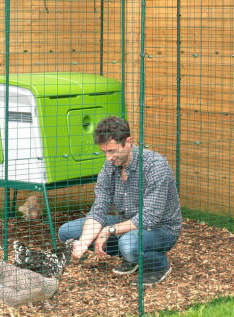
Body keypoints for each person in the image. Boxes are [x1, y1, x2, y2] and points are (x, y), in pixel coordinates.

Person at [58, 116, 183, 285]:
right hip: (126, 223)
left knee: (129, 243)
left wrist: (108, 230)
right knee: (67, 232)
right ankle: (131, 256)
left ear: (128, 142)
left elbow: (149, 217)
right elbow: (99, 207)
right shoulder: (110, 167)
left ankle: (158, 266)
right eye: (104, 152)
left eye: (112, 151)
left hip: (160, 229)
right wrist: (83, 243)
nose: (108, 158)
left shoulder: (155, 165)